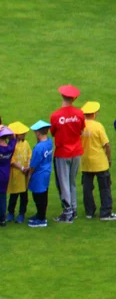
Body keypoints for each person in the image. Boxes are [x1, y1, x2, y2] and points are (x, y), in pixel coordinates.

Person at [49, 84, 85, 222]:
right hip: (76, 151)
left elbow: (53, 132)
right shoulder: (79, 114)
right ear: (74, 98)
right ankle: (74, 209)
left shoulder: (56, 115)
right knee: (72, 182)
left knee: (63, 183)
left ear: (62, 96)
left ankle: (67, 213)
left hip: (62, 152)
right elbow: (81, 129)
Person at [80, 101, 114, 221]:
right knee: (105, 187)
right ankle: (105, 212)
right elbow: (107, 145)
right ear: (94, 114)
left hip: (85, 162)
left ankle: (89, 212)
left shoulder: (80, 126)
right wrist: (108, 159)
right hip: (100, 162)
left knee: (87, 188)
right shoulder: (98, 126)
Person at [27, 121, 53, 227]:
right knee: (43, 195)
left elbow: (33, 165)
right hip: (46, 172)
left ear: (38, 133)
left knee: (38, 196)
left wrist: (29, 175)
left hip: (39, 175)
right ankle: (40, 215)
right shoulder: (49, 142)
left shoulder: (39, 147)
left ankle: (42, 219)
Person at [7, 122, 32, 223]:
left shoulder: (25, 143)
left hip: (24, 174)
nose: (24, 135)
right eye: (22, 133)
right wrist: (22, 168)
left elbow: (30, 155)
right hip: (15, 174)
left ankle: (22, 214)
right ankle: (11, 213)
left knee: (24, 195)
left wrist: (28, 166)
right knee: (14, 195)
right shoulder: (10, 146)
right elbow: (11, 160)